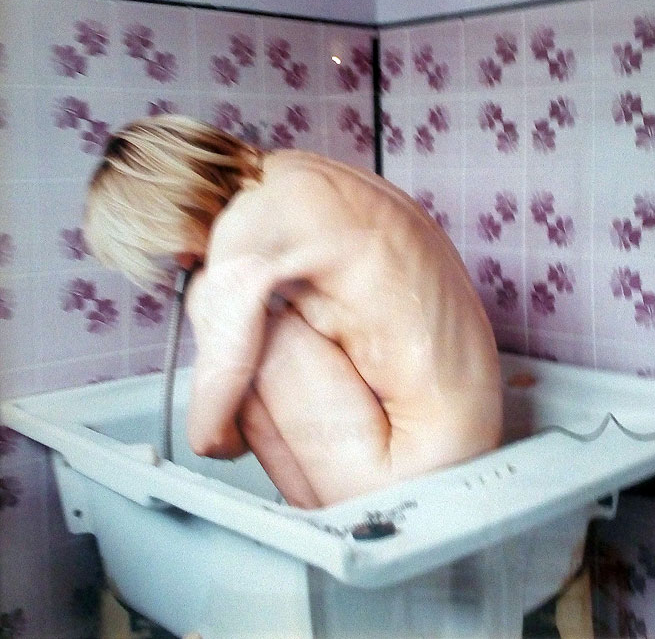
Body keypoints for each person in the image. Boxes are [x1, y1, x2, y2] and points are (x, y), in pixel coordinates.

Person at [85, 115, 503, 508]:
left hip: (415, 477)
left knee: (259, 343)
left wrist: (204, 301)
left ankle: (312, 529)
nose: (180, 262)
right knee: (261, 336)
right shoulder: (293, 171)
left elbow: (208, 439)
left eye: (164, 243)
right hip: (477, 450)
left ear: (167, 210)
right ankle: (314, 521)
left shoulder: (242, 230)